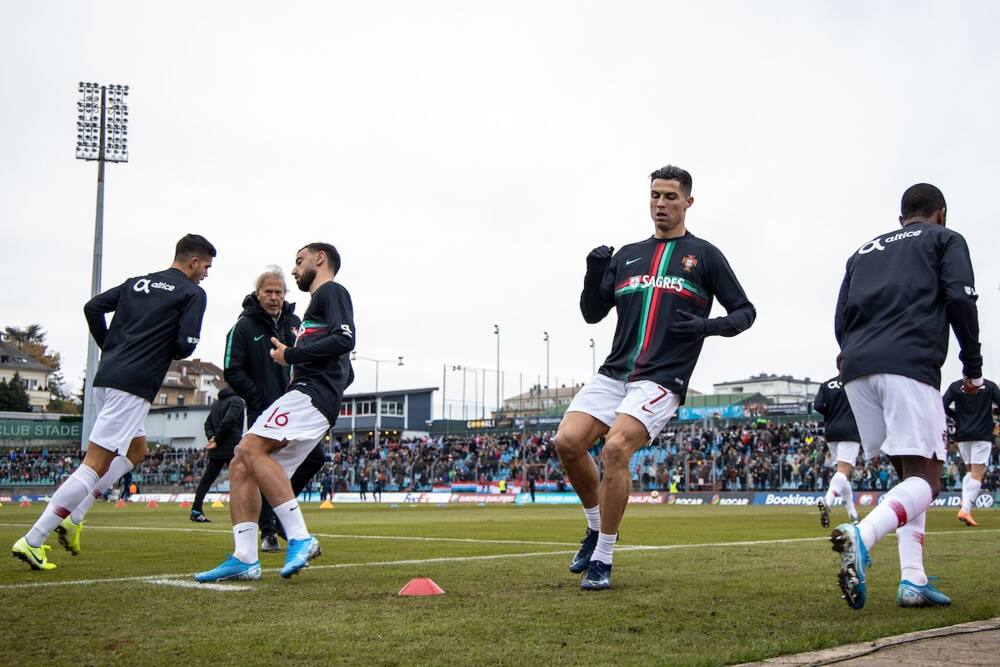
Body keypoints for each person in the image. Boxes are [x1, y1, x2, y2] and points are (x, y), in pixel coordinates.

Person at [555, 165, 756, 590]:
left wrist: (705, 327)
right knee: (567, 442)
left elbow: (745, 313)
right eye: (654, 196)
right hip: (615, 372)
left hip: (662, 378)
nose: (660, 204)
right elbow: (592, 312)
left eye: (669, 196)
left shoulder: (704, 255)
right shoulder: (628, 254)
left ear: (688, 202)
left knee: (614, 450)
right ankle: (594, 531)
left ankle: (604, 559)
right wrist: (593, 272)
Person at [12, 234, 214, 569]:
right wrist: (165, 347)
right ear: (193, 262)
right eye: (206, 266)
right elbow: (185, 346)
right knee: (95, 463)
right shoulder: (192, 292)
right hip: (135, 383)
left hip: (109, 376)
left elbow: (92, 308)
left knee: (136, 450)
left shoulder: (138, 284)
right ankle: (34, 539)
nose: (206, 274)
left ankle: (76, 515)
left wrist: (110, 346)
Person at [831, 183, 981, 609]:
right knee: (928, 482)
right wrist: (972, 364)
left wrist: (856, 356)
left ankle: (912, 579)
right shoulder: (945, 239)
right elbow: (960, 298)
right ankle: (863, 535)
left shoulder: (862, 251)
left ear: (902, 219)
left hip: (857, 369)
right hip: (908, 365)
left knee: (909, 478)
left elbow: (840, 318)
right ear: (941, 213)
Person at [195, 242, 354, 582]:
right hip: (309, 397)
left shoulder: (330, 291)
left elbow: (345, 339)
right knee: (242, 465)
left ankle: (299, 536)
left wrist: (292, 357)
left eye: (299, 261)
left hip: (310, 396)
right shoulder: (311, 310)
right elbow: (345, 365)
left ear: (320, 259)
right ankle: (245, 557)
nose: (295, 269)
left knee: (249, 450)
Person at [222, 266, 326, 553]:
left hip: (295, 410)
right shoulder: (243, 327)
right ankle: (268, 531)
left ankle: (282, 520)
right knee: (256, 467)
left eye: (279, 292)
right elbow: (231, 370)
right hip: (264, 411)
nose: (274, 297)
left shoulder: (295, 323)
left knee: (315, 457)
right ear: (258, 295)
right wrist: (258, 399)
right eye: (268, 292)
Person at [942, 376, 1000, 527]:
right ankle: (966, 509)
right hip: (982, 434)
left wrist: (956, 416)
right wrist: (992, 413)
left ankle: (964, 504)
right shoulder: (989, 386)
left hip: (962, 434)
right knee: (977, 474)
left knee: (969, 471)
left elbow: (942, 404)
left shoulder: (955, 386)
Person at [814, 357, 862, 526]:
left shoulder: (827, 385)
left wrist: (832, 413)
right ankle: (828, 500)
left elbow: (818, 406)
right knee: (843, 471)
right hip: (851, 430)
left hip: (832, 431)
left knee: (843, 474)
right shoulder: (857, 383)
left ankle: (853, 515)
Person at [190, 386, 245, 521]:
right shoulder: (237, 401)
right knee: (242, 479)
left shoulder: (216, 403)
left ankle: (196, 510)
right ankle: (244, 513)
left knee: (207, 479)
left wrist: (212, 438)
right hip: (231, 446)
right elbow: (229, 420)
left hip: (216, 447)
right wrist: (218, 439)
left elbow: (207, 423)